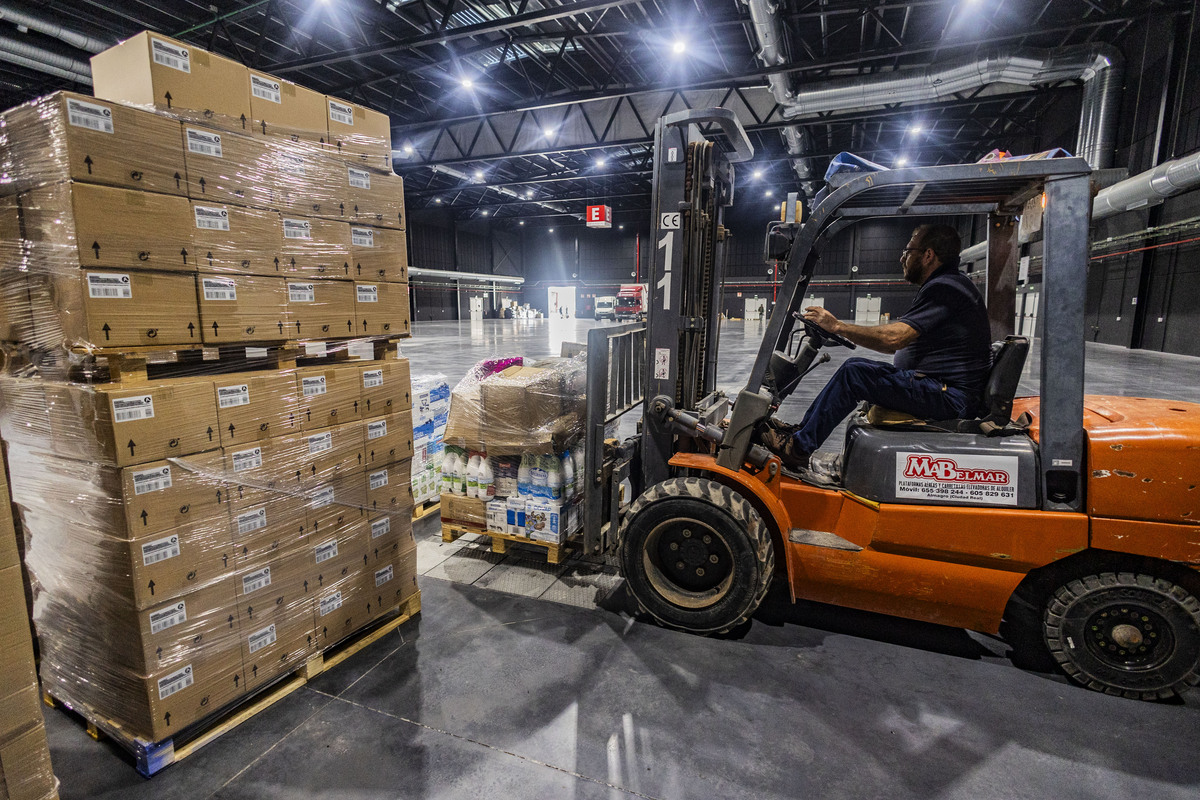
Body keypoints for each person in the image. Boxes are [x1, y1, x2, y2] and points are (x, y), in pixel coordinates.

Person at [758, 224, 992, 470]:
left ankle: (798, 447)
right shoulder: (947, 284)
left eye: (907, 250)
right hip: (939, 388)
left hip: (949, 396)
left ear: (928, 255)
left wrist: (837, 326)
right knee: (856, 368)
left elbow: (894, 339)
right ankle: (800, 434)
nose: (902, 257)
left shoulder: (946, 288)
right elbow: (896, 343)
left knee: (855, 373)